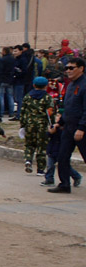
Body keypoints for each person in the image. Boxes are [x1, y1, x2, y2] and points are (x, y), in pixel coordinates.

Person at [48, 56, 86, 194]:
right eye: (66, 68)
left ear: (81, 68)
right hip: (68, 127)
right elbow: (68, 108)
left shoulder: (84, 85)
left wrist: (82, 128)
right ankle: (64, 184)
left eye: (71, 68)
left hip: (80, 129)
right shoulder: (71, 85)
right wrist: (59, 123)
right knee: (62, 156)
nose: (68, 71)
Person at [18, 76, 55, 174]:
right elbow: (50, 113)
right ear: (46, 86)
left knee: (29, 144)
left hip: (29, 124)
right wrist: (52, 124)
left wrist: (22, 125)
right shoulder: (47, 98)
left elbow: (22, 112)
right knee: (41, 146)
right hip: (42, 125)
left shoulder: (27, 96)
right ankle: (40, 169)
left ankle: (28, 160)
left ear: (34, 85)